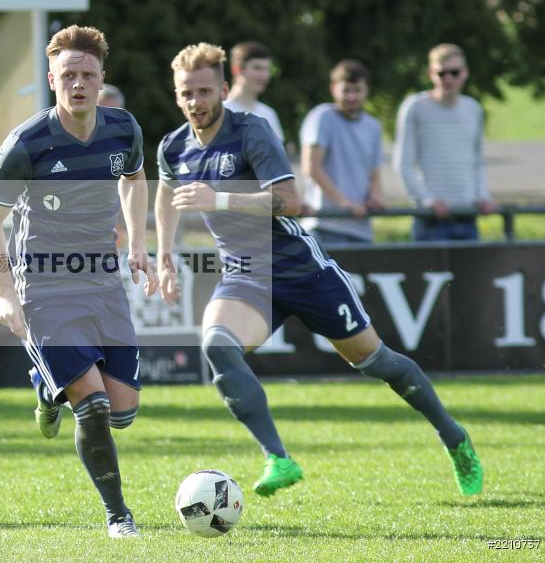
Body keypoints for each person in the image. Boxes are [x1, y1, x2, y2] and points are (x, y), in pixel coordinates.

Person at [155, 43, 483, 500]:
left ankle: (454, 437)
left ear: (225, 89)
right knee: (217, 346)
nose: (196, 102)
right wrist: (165, 255)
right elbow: (166, 197)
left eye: (205, 91)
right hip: (246, 274)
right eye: (186, 93)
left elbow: (291, 201)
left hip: (301, 270)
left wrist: (220, 198)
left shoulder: (252, 131)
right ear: (176, 95)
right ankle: (278, 458)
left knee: (378, 362)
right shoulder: (173, 147)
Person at [0, 25, 157, 537]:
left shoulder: (124, 129)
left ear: (103, 80)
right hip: (44, 286)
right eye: (68, 75)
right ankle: (118, 516)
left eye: (88, 75)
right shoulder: (27, 142)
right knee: (94, 408)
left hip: (101, 281)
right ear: (51, 79)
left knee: (122, 410)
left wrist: (138, 243)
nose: (78, 84)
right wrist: (4, 296)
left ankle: (44, 388)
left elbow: (134, 177)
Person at [394, 43, 495, 241]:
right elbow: (403, 163)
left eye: (454, 72)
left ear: (464, 73)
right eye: (442, 73)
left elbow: (477, 161)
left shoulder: (473, 108)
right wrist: (427, 200)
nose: (448, 78)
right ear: (431, 74)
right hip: (431, 218)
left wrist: (482, 195)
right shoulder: (415, 107)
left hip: (467, 213)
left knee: (470, 272)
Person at [299, 60, 384, 245]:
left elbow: (374, 173)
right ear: (333, 88)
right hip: (325, 225)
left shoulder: (373, 126)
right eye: (346, 90)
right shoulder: (322, 116)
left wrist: (376, 197)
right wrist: (345, 203)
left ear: (366, 90)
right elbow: (312, 168)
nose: (352, 96)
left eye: (357, 90)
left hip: (361, 230)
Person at [224, 41, 284, 141]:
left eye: (267, 69)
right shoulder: (220, 111)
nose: (264, 75)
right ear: (237, 70)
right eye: (257, 68)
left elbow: (276, 155)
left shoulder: (269, 114)